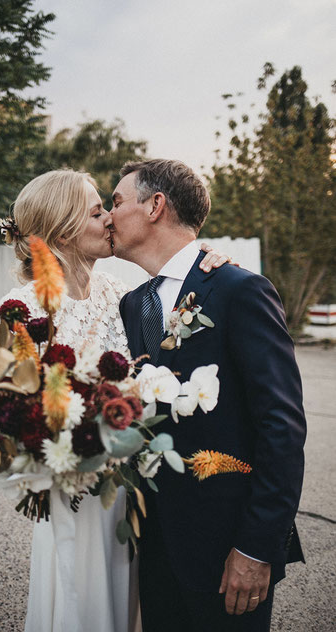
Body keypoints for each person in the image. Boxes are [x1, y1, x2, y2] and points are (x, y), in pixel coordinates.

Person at [0, 169, 230, 632]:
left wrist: (209, 259)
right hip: (74, 494)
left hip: (135, 493)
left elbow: (182, 307)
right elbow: (6, 412)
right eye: (98, 210)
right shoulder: (21, 310)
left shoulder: (123, 295)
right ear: (62, 230)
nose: (110, 219)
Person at [110, 159, 307, 632]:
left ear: (155, 205)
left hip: (227, 550)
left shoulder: (239, 289)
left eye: (116, 201)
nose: (107, 213)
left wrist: (257, 546)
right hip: (153, 546)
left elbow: (281, 426)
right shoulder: (133, 304)